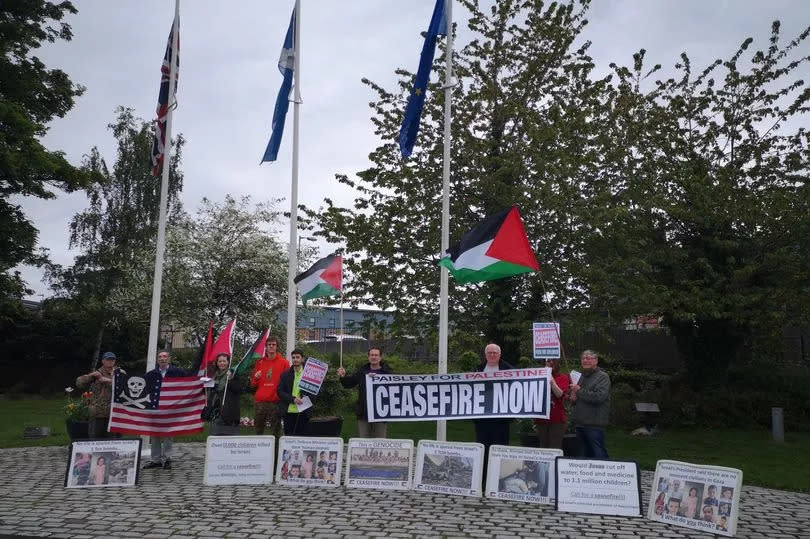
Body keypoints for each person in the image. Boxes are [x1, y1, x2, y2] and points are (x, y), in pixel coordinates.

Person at [143, 350, 192, 470]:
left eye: (165, 356)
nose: (162, 359)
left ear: (169, 359)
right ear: (157, 359)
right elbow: (143, 389)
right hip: (155, 407)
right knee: (155, 434)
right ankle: (155, 460)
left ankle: (167, 458)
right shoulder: (151, 374)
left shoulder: (178, 372)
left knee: (168, 434)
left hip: (171, 407)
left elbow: (191, 380)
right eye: (160, 357)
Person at [474, 343, 513, 484]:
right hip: (482, 419)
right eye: (489, 353)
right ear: (485, 355)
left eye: (494, 353)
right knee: (482, 449)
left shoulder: (509, 369)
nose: (492, 355)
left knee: (500, 449)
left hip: (500, 420)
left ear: (499, 354)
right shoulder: (477, 369)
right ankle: (483, 480)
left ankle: (498, 481)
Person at [337, 347, 392, 438]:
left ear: (380, 357)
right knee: (363, 441)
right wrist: (343, 377)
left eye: (376, 355)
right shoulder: (362, 371)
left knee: (379, 440)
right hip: (364, 412)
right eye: (372, 355)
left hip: (381, 413)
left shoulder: (387, 372)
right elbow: (349, 384)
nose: (374, 357)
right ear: (368, 357)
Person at [569, 349, 611, 458]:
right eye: (583, 358)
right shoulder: (580, 377)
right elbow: (578, 399)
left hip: (594, 425)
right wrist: (573, 399)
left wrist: (579, 390)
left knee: (599, 455)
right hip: (580, 424)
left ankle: (604, 473)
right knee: (583, 456)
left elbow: (599, 397)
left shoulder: (603, 377)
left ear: (596, 361)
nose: (585, 360)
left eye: (589, 358)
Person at [75, 351, 123, 439]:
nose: (110, 361)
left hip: (114, 413)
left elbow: (126, 386)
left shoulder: (120, 373)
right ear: (103, 361)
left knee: (113, 440)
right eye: (108, 359)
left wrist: (107, 380)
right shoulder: (96, 373)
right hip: (97, 413)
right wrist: (89, 376)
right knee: (95, 439)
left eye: (112, 360)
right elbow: (79, 383)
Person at [250, 337, 288, 436]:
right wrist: (256, 377)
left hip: (275, 402)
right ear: (266, 347)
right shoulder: (260, 362)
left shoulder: (284, 363)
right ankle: (259, 451)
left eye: (273, 344)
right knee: (258, 431)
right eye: (269, 344)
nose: (271, 346)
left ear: (277, 347)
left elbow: (287, 383)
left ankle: (275, 451)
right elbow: (253, 384)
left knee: (275, 432)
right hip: (260, 402)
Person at [278, 349, 317, 436]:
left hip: (304, 411)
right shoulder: (285, 374)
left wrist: (306, 400)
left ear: (302, 359)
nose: (295, 359)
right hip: (289, 411)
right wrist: (293, 399)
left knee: (302, 438)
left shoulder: (309, 374)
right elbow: (280, 391)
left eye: (297, 357)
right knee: (288, 437)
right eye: (293, 357)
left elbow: (316, 391)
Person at [533, 357, 570, 449]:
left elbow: (559, 394)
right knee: (543, 446)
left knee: (555, 447)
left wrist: (549, 377)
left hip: (557, 419)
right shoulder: (536, 377)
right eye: (548, 361)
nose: (551, 363)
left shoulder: (563, 377)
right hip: (541, 418)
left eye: (553, 360)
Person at [206, 353, 242, 434]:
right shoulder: (214, 375)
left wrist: (230, 380)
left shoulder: (234, 373)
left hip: (229, 410)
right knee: (215, 437)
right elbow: (208, 392)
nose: (222, 363)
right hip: (215, 411)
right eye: (220, 361)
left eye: (224, 361)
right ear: (217, 363)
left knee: (230, 438)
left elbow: (238, 389)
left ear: (228, 362)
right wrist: (206, 385)